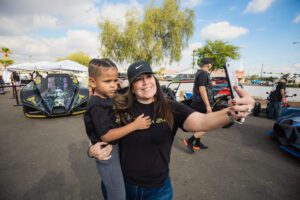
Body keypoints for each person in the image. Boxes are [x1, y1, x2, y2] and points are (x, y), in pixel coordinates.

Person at [88, 60, 254, 200]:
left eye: (148, 76)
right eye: (139, 79)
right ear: (131, 86)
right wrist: (91, 149)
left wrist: (231, 113)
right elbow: (97, 129)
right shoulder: (118, 106)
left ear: (155, 79)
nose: (146, 82)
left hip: (158, 191)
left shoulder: (171, 107)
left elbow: (202, 122)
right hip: (123, 186)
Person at [84, 58, 151, 200]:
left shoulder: (106, 97)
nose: (113, 85)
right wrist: (135, 125)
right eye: (107, 81)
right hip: (107, 153)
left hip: (114, 149)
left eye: (115, 80)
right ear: (92, 82)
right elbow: (106, 136)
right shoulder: (97, 104)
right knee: (117, 194)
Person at [183, 58, 214, 153]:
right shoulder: (203, 74)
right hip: (201, 104)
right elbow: (202, 89)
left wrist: (211, 84)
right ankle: (190, 140)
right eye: (211, 64)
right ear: (208, 65)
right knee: (209, 125)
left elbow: (204, 86)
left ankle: (197, 143)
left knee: (200, 125)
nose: (211, 66)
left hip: (198, 102)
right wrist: (208, 106)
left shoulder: (200, 73)